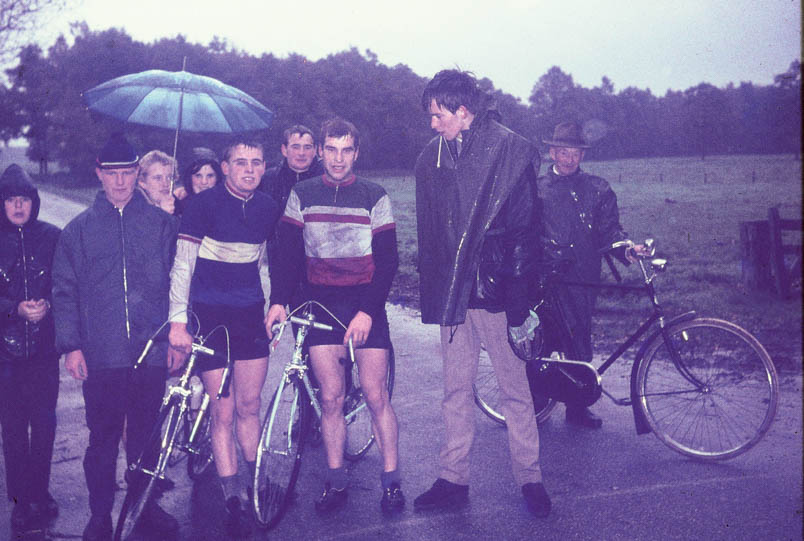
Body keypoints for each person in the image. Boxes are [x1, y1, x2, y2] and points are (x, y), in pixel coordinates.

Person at [413, 69, 551, 517]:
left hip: (495, 293)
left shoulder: (509, 150)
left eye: (438, 115)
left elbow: (525, 230)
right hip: (455, 298)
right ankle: (453, 478)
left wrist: (516, 302)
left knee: (515, 391)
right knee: (455, 389)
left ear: (462, 111)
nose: (432, 124)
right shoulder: (435, 157)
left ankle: (530, 478)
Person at [265, 118, 404, 515]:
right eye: (331, 150)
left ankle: (392, 483)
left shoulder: (374, 196)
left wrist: (367, 312)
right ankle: (336, 480)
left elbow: (389, 262)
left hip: (365, 304)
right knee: (330, 398)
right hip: (320, 305)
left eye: (347, 150)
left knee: (377, 395)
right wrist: (278, 300)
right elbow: (289, 257)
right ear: (321, 152)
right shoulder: (301, 194)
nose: (338, 158)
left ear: (356, 153)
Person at [52, 133, 180, 541]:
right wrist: (71, 345)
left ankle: (144, 508)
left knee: (146, 438)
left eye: (128, 173)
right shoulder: (78, 231)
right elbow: (64, 289)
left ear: (137, 174)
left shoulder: (162, 225)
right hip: (102, 355)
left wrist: (174, 337)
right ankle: (99, 515)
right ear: (99, 174)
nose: (121, 182)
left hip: (151, 352)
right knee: (102, 440)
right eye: (113, 174)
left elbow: (180, 284)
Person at [167, 137, 279, 537]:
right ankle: (232, 497)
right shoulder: (202, 205)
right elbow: (183, 266)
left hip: (249, 319)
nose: (249, 170)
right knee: (223, 411)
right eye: (240, 162)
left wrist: (274, 308)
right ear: (226, 167)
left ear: (264, 168)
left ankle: (257, 481)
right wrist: (178, 320)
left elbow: (268, 262)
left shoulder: (268, 207)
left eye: (256, 163)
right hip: (211, 320)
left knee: (250, 406)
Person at [530, 121, 644, 429]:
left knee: (578, 340)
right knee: (540, 339)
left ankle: (577, 406)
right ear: (552, 152)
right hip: (543, 279)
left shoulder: (598, 189)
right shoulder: (535, 189)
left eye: (576, 153)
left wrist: (625, 248)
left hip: (582, 277)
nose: (569, 159)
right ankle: (536, 401)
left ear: (583, 155)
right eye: (563, 151)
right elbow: (522, 232)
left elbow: (610, 230)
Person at [0, 164, 61, 532]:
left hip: (44, 351)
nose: (18, 206)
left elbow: (66, 283)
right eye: (10, 200)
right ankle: (22, 499)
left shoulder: (52, 237)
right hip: (4, 354)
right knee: (11, 425)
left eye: (24, 199)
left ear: (33, 202)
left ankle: (40, 490)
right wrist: (14, 308)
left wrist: (47, 305)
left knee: (44, 423)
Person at [173, 147, 223, 215]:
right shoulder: (176, 208)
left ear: (217, 178)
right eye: (198, 176)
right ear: (189, 178)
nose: (204, 182)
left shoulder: (227, 207)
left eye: (210, 176)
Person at [137, 149, 178, 215]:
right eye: (158, 178)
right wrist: (162, 213)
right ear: (142, 183)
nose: (165, 184)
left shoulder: (181, 209)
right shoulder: (136, 211)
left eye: (169, 177)